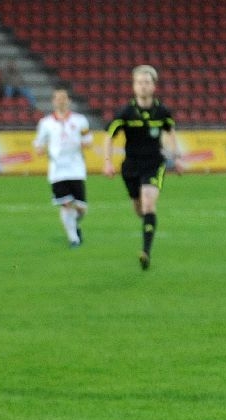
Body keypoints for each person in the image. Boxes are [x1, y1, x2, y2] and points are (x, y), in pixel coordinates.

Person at [103, 64, 181, 270]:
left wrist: (176, 157)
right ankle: (147, 220)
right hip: (131, 165)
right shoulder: (126, 112)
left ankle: (146, 252)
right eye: (139, 82)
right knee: (139, 208)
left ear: (154, 86)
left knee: (148, 204)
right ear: (134, 86)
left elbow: (171, 132)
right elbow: (109, 136)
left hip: (154, 163)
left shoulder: (162, 111)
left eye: (147, 82)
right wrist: (108, 162)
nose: (143, 86)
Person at [33, 88, 92, 247]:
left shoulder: (80, 120)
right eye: (58, 98)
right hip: (57, 170)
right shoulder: (45, 123)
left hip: (76, 168)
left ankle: (74, 224)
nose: (61, 101)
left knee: (81, 208)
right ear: (53, 102)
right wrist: (40, 149)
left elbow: (88, 139)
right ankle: (74, 239)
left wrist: (83, 143)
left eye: (63, 98)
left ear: (69, 101)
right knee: (66, 203)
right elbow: (39, 143)